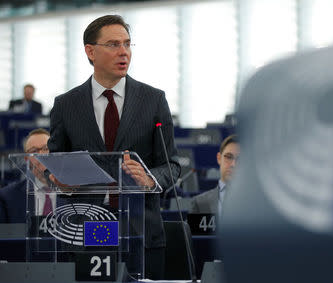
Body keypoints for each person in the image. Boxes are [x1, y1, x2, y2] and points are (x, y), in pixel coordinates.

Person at [47, 15, 180, 280]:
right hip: (88, 226)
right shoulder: (66, 105)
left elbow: (172, 166)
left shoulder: (153, 100)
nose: (124, 52)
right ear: (90, 51)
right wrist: (58, 181)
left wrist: (149, 178)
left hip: (139, 228)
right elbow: (55, 167)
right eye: (113, 44)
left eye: (127, 44)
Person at [0, 128, 54, 223]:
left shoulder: (75, 193)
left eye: (46, 149)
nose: (41, 155)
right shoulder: (7, 197)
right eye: (34, 151)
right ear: (26, 159)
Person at [190, 134, 239, 216]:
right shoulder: (200, 203)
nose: (233, 164)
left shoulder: (259, 202)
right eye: (228, 157)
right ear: (219, 158)